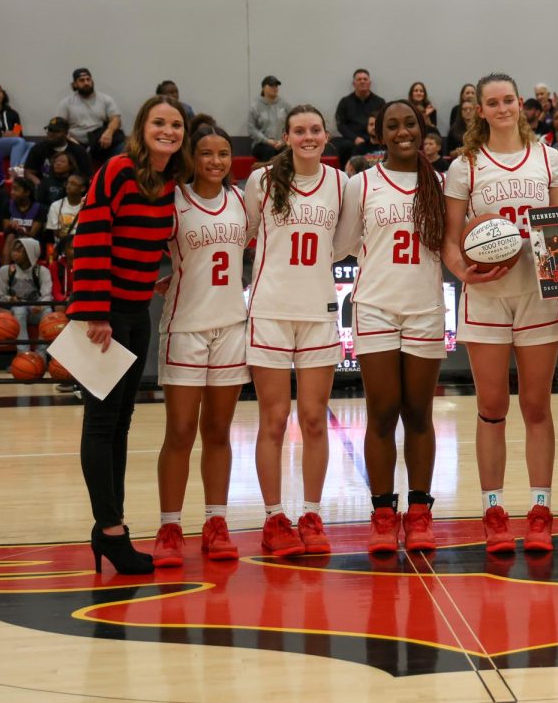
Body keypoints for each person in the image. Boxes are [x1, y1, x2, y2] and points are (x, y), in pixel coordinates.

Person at [441, 72, 558, 554]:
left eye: (507, 100)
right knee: (492, 408)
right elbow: (451, 238)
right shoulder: (467, 166)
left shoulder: (548, 157)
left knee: (537, 406)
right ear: (479, 110)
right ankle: (493, 510)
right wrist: (464, 273)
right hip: (486, 297)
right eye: (490, 102)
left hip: (538, 294)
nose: (500, 108)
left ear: (522, 104)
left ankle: (541, 509)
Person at [69, 95, 192, 574]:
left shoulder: (167, 180)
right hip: (106, 315)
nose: (168, 130)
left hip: (137, 309)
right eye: (158, 122)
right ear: (142, 128)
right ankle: (110, 530)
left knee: (121, 421)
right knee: (101, 422)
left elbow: (141, 242)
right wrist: (95, 312)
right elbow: (93, 236)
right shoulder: (118, 170)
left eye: (176, 124)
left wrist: (153, 277)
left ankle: (111, 526)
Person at [245, 104, 352, 557]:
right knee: (272, 420)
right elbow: (244, 232)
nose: (307, 137)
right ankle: (274, 519)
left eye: (315, 130)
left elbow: (345, 244)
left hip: (318, 311)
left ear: (326, 136)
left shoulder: (341, 183)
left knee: (313, 419)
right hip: (269, 310)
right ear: (286, 136)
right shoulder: (262, 181)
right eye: (298, 130)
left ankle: (311, 513)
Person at [341, 100, 447, 553]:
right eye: (392, 125)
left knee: (419, 413)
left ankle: (419, 512)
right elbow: (343, 245)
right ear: (379, 134)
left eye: (410, 124)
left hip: (424, 306)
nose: (402, 131)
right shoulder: (361, 184)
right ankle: (383, 513)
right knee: (382, 413)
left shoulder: (441, 184)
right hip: (376, 306)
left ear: (422, 129)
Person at [151, 115, 248, 567]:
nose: (215, 160)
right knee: (181, 431)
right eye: (206, 153)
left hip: (231, 326)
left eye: (223, 154)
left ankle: (216, 521)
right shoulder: (174, 201)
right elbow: (143, 246)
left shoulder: (242, 202)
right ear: (192, 157)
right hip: (185, 328)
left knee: (218, 432)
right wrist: (155, 280)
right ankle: (170, 526)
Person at [0, 236, 53, 355]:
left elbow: (47, 295)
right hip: (15, 311)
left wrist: (40, 305)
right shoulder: (6, 270)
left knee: (48, 312)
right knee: (19, 309)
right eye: (14, 250)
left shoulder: (42, 271)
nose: (14, 254)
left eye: (19, 251)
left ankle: (41, 354)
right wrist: (10, 299)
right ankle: (23, 354)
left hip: (36, 309)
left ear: (30, 253)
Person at [55, 68, 124, 165]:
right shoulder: (66, 103)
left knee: (123, 148)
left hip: (100, 142)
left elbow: (116, 119)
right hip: (76, 143)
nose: (86, 83)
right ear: (75, 84)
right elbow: (59, 126)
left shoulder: (105, 99)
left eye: (88, 79)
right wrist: (71, 140)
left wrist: (109, 132)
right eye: (82, 80)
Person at [334, 69, 386, 167]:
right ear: (354, 84)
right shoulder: (345, 102)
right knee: (344, 146)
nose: (362, 81)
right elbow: (340, 124)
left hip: (374, 138)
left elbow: (385, 121)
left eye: (365, 79)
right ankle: (345, 174)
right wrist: (355, 138)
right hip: (352, 139)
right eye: (359, 79)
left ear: (369, 83)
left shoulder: (380, 102)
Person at [24, 117, 91, 184]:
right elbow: (28, 172)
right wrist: (41, 186)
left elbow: (86, 176)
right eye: (50, 130)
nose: (51, 134)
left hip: (71, 189)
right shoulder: (38, 148)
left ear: (66, 133)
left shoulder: (79, 151)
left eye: (56, 131)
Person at [0, 83, 32, 170]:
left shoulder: (13, 113)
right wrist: (2, 135)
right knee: (18, 142)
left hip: (10, 144)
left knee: (32, 145)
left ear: (3, 94)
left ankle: (19, 169)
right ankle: (14, 173)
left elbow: (19, 133)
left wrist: (15, 134)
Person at [248, 75, 290, 162]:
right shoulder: (256, 106)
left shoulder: (285, 105)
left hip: (282, 143)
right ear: (263, 88)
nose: (274, 88)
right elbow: (251, 129)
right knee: (269, 151)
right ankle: (268, 175)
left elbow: (291, 124)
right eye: (271, 85)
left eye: (276, 86)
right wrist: (267, 141)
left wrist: (283, 141)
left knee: (289, 152)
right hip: (262, 144)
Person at [3, 176, 45, 253]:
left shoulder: (39, 208)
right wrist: (10, 225)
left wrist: (21, 230)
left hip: (32, 243)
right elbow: (5, 230)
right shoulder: (8, 205)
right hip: (12, 241)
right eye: (12, 189)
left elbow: (33, 234)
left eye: (16, 189)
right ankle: (6, 265)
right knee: (10, 237)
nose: (12, 192)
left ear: (27, 193)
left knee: (18, 240)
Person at [49, 173, 86, 241]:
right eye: (68, 183)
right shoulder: (56, 206)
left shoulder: (87, 206)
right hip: (63, 245)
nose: (68, 186)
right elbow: (57, 232)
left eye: (73, 184)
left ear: (82, 188)